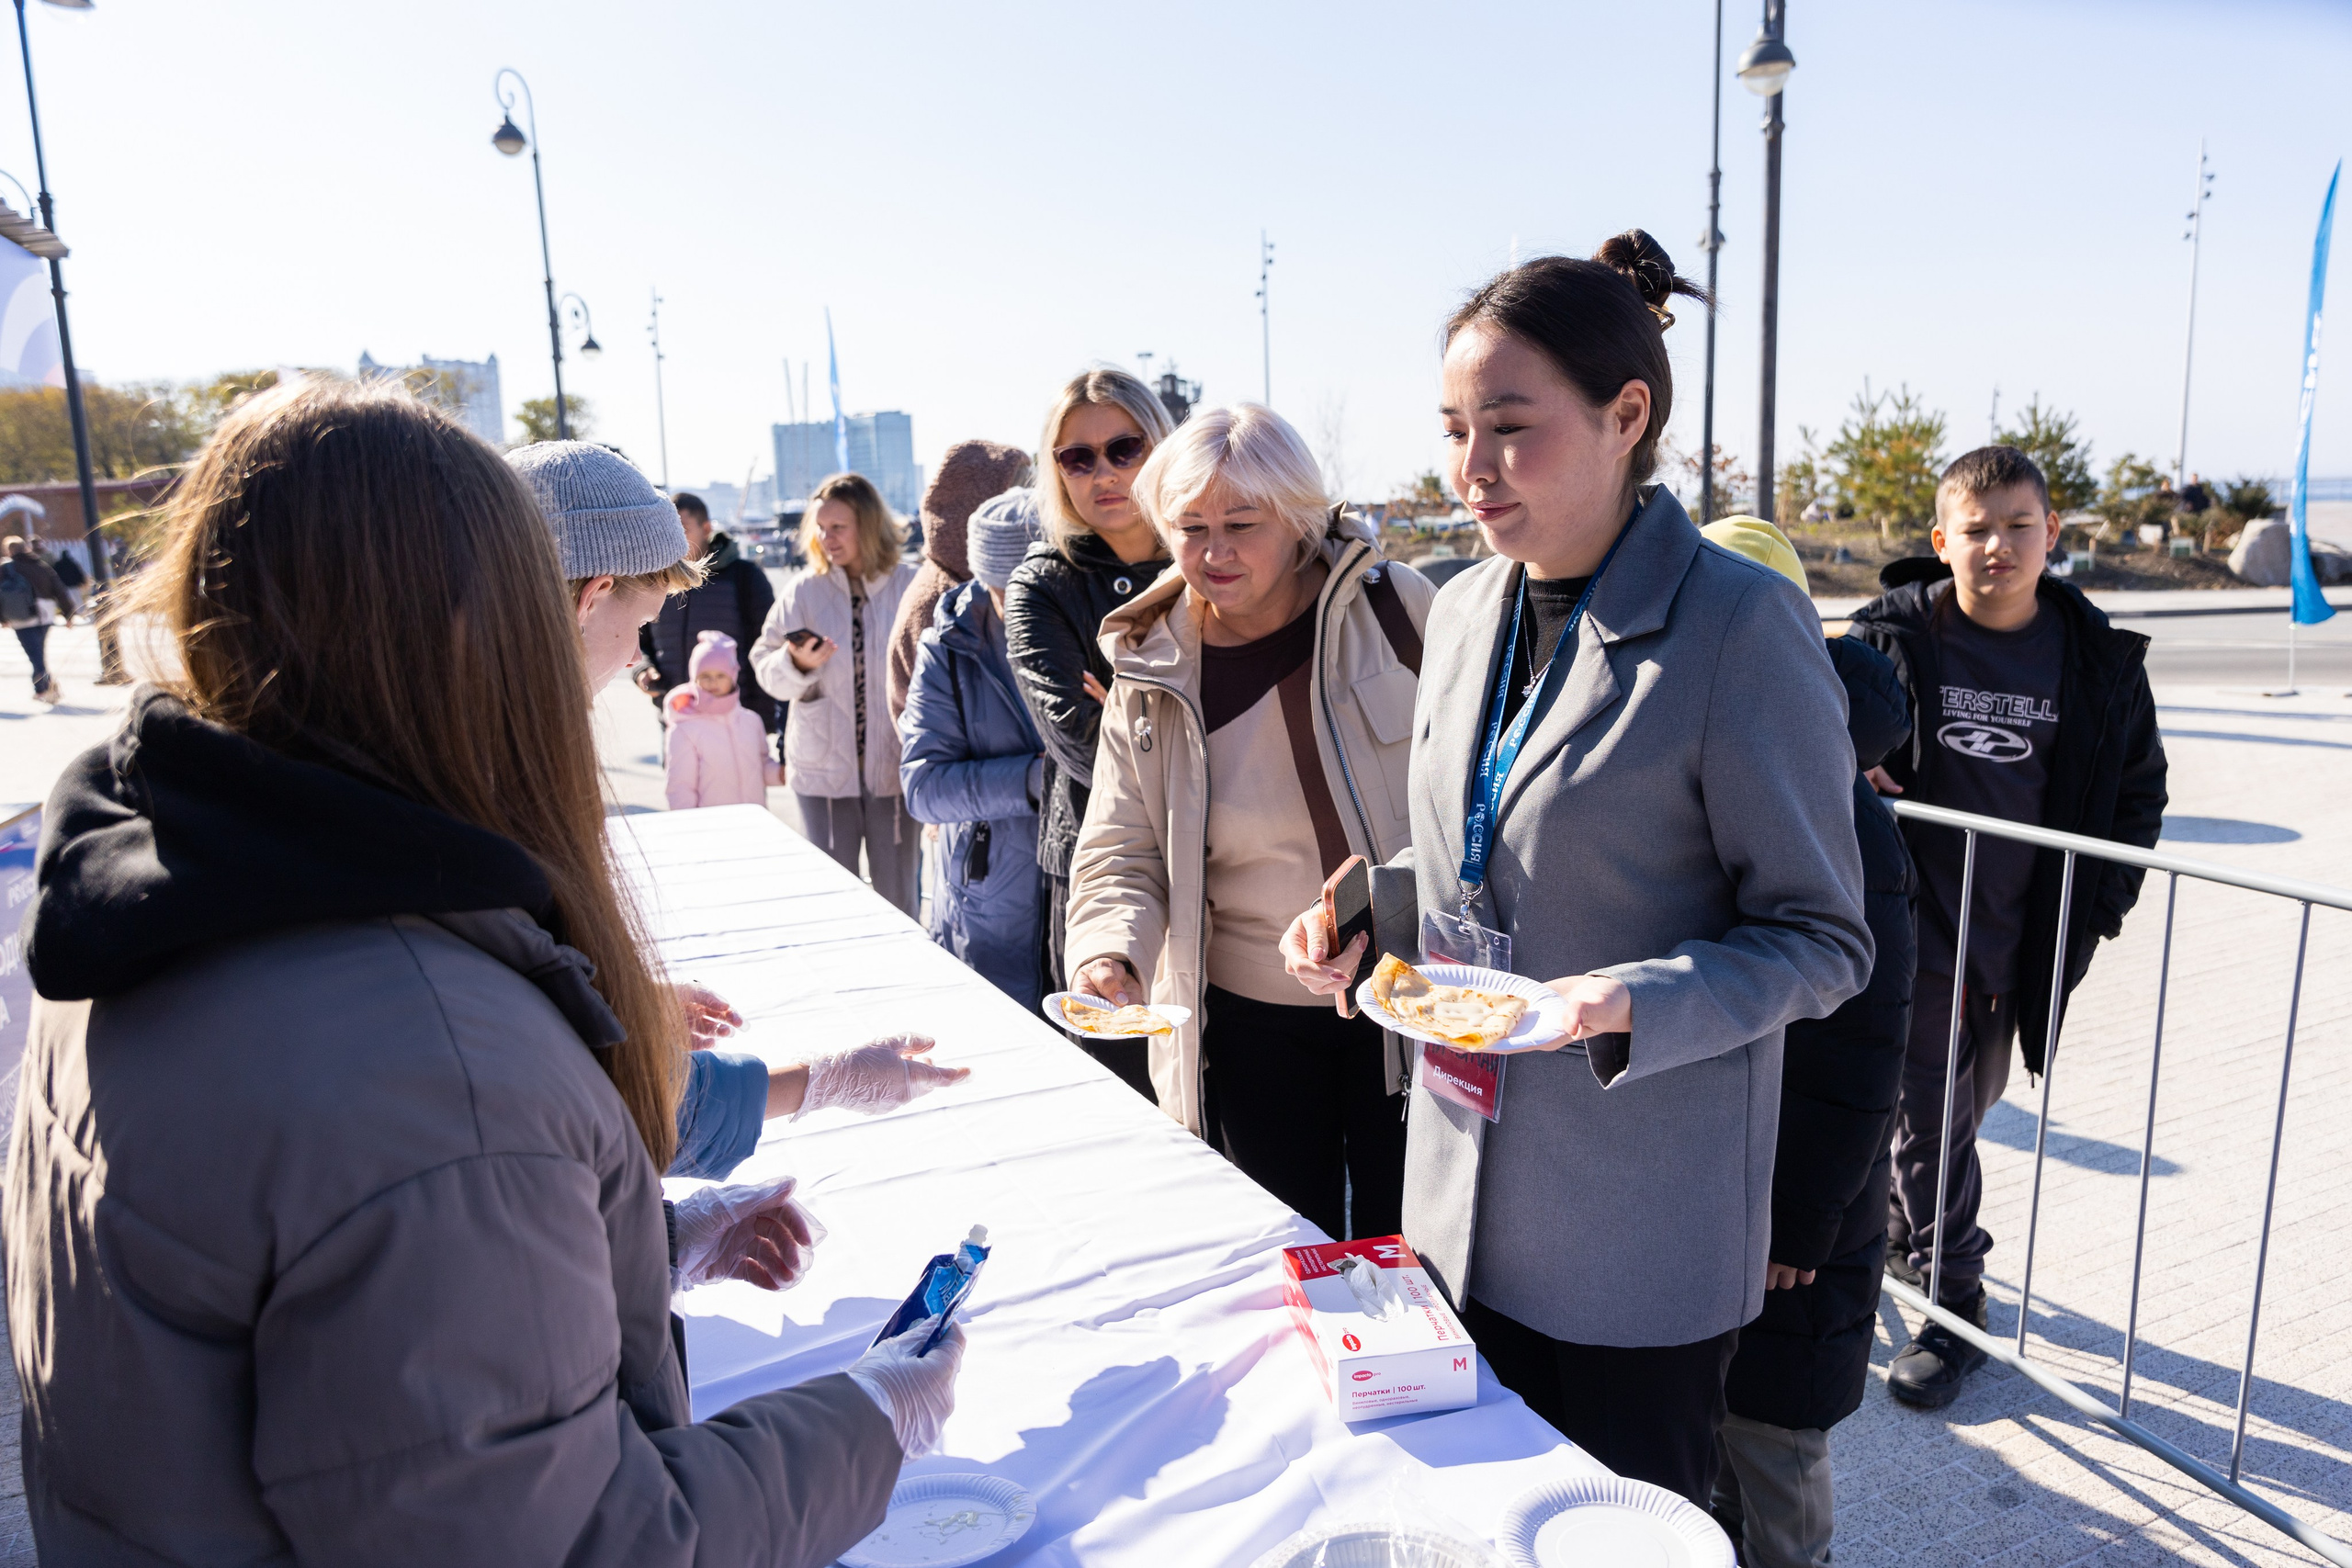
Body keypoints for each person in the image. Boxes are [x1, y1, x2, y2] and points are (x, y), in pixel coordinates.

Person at [7, 380, 962, 1567]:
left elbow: (330, 1303)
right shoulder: (425, 1064)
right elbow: (579, 1540)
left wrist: (639, 1246)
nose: (610, 677)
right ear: (482, 631)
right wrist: (865, 1421)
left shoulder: (162, 897)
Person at [1281, 234, 1871, 1507]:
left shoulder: (1737, 626)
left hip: (1633, 1238)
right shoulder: (1466, 608)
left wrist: (1630, 1003)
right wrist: (1371, 912)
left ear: (1627, 415)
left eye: (1508, 425)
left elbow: (1823, 934)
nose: (1470, 468)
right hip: (1453, 1203)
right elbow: (1478, 860)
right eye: (1454, 428)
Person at [509, 439, 966, 1182]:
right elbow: (557, 1077)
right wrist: (815, 1082)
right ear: (593, 596)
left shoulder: (483, 729)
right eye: (643, 622)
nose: (634, 658)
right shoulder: (509, 763)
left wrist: (625, 1000)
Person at [1848, 445, 2166, 1408]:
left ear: (2051, 535)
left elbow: (2137, 799)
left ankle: (1907, 1248)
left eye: (2017, 526)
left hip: (2021, 945)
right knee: (1930, 1122)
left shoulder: (2096, 659)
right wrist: (1845, 768)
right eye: (1975, 530)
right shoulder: (1883, 640)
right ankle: (1957, 1307)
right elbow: (1799, 737)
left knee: (1954, 1115)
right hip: (1909, 933)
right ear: (1941, 540)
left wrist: (2092, 915)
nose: (1997, 546)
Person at [1063, 404, 1430, 1240]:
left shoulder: (1398, 608)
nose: (1213, 552)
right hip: (1247, 1023)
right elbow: (1120, 850)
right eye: (1189, 527)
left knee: (1415, 1266)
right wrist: (1109, 952)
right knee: (1281, 1262)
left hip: (1408, 1007)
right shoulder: (1148, 664)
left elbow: (1477, 791)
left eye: (1240, 523)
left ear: (1298, 516)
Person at [1698, 519, 1917, 1568]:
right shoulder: (1738, 758)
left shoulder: (1842, 813)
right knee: (1716, 1450)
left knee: (1777, 1453)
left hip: (1796, 1227)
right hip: (1721, 1188)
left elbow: (1859, 1063)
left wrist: (1797, 1224)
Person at [1004, 367, 1175, 1055]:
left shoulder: (1213, 552)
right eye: (1078, 456)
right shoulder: (1043, 585)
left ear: (1161, 445)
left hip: (1225, 861)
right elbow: (1081, 748)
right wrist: (1174, 717)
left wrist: (1127, 708)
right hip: (1102, 870)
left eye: (1124, 448)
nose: (1103, 472)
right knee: (1119, 1084)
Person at [899, 496, 1050, 1010]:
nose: (1027, 609)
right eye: (1010, 593)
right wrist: (1033, 781)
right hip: (987, 902)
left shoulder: (1096, 628)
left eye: (1043, 592)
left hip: (1085, 900)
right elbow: (922, 789)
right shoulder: (947, 646)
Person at [751, 472, 922, 918]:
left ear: (868, 525)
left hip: (896, 769)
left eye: (838, 527)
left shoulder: (912, 586)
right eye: (820, 528)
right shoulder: (803, 590)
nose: (826, 538)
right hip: (823, 772)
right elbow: (765, 670)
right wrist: (798, 666)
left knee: (899, 901)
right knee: (832, 904)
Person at [887, 439, 1035, 722]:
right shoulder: (938, 601)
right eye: (1015, 501)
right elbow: (923, 738)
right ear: (978, 512)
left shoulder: (974, 583)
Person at [635, 491, 780, 743]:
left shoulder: (744, 576)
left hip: (733, 720)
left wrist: (763, 720)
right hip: (676, 718)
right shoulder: (656, 580)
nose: (675, 540)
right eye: (669, 530)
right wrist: (643, 670)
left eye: (683, 529)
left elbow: (767, 645)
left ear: (706, 528)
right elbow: (637, 638)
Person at [665, 629, 782, 810]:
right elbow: (680, 786)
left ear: (733, 676)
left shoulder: (751, 721)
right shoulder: (684, 729)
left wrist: (781, 774)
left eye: (721, 676)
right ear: (694, 679)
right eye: (705, 676)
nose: (713, 682)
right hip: (712, 827)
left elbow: (762, 767)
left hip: (754, 821)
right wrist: (687, 826)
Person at [3, 535, 68, 705]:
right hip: (45, 614)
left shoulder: (7, 568)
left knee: (35, 655)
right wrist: (69, 614)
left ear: (9, 550)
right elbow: (59, 589)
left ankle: (47, 688)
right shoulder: (40, 565)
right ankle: (42, 689)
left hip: (22, 616)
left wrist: (2, 618)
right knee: (37, 652)